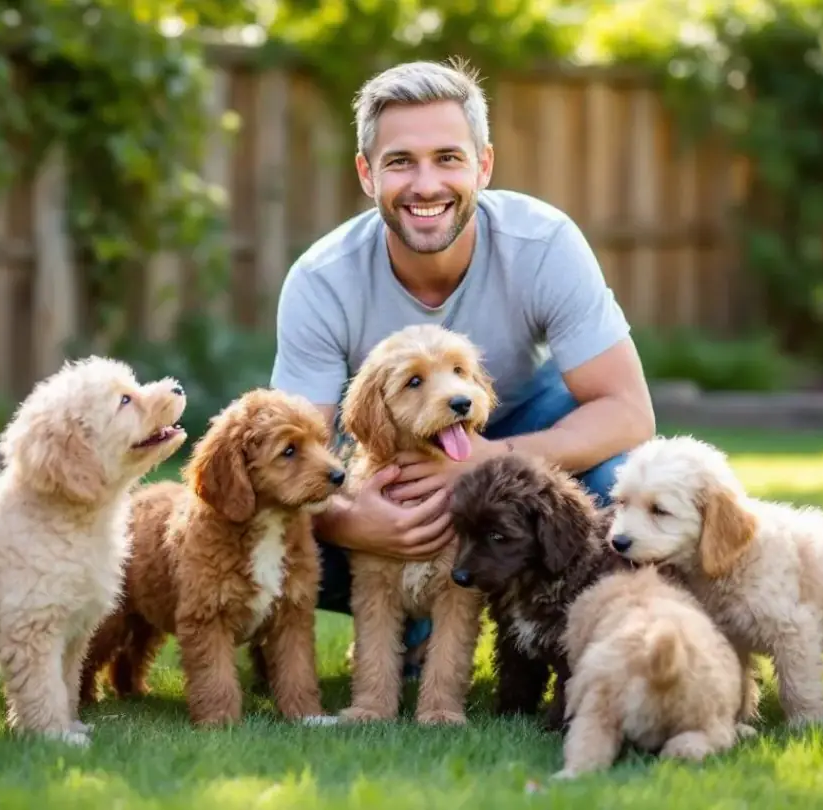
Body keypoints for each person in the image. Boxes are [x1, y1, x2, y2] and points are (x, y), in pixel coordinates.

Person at [268, 57, 656, 677]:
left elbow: (629, 413)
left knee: (621, 483)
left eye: (448, 158)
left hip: (520, 438)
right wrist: (349, 521)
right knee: (285, 531)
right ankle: (414, 624)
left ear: (484, 164)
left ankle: (597, 640)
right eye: (401, 162)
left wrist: (484, 465)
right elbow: (288, 459)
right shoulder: (322, 280)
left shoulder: (544, 243)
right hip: (389, 469)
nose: (426, 185)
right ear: (368, 174)